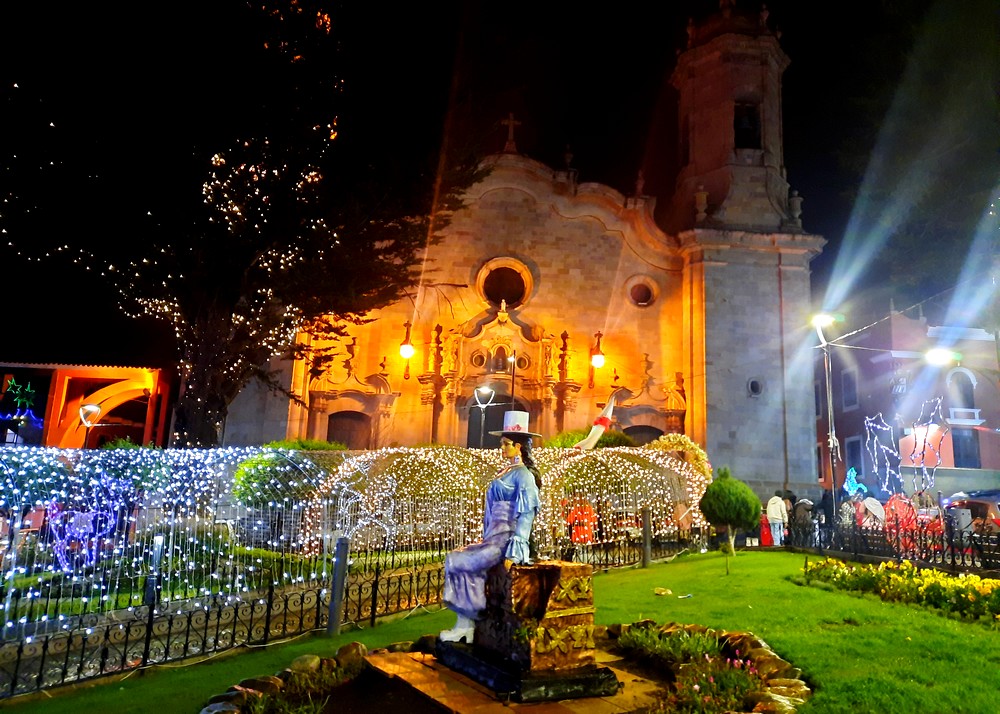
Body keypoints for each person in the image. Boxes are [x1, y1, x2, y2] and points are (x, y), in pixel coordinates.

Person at [439, 411, 542, 644]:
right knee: (455, 557)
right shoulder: (506, 472)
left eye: (506, 444)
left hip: (504, 539)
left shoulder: (524, 476)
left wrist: (515, 550)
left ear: (518, 447)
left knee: (460, 560)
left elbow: (526, 513)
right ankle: (465, 623)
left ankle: (467, 623)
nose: (502, 448)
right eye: (502, 443)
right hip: (493, 537)